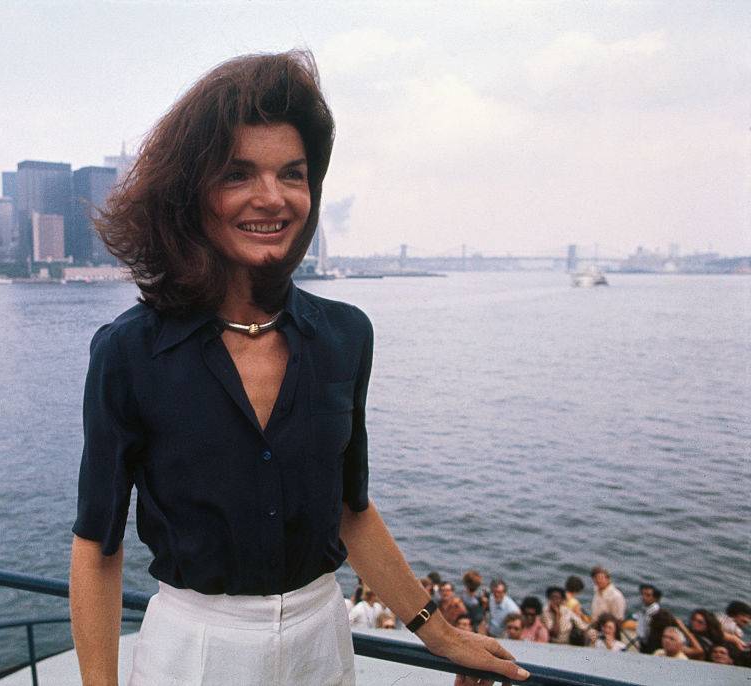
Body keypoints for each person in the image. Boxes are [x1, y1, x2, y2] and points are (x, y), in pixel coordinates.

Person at [68, 50, 529, 686]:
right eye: (238, 174)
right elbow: (98, 545)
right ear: (191, 193)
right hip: (194, 650)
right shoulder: (129, 353)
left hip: (323, 640)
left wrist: (440, 633)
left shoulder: (345, 336)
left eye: (293, 173)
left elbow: (352, 509)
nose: (272, 198)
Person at [634, 583, 661, 652]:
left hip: (651, 643)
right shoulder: (646, 607)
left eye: (648, 595)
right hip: (643, 640)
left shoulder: (655, 611)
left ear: (655, 598)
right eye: (643, 594)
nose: (644, 597)